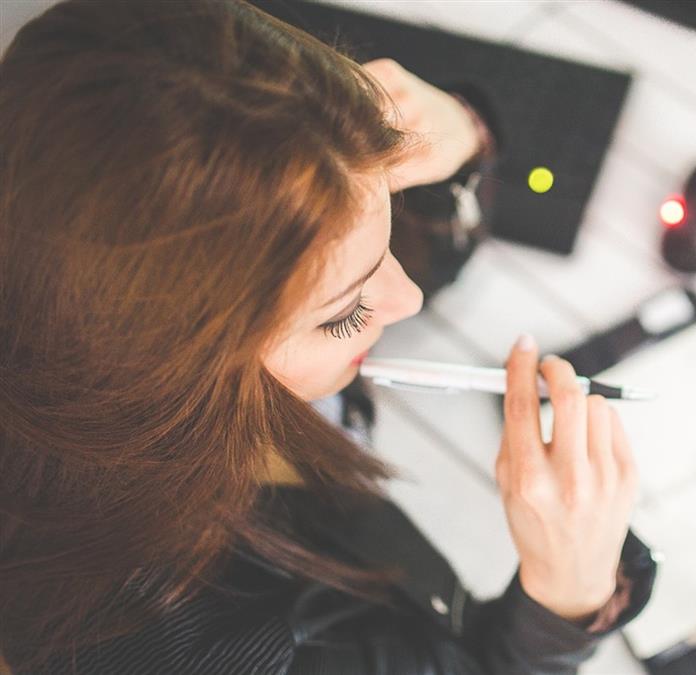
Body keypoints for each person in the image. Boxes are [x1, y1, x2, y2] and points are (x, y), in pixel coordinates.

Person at [0, 1, 656, 673]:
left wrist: (462, 137)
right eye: (342, 314)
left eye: (388, 210)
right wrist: (565, 601)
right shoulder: (205, 649)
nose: (409, 300)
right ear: (176, 368)